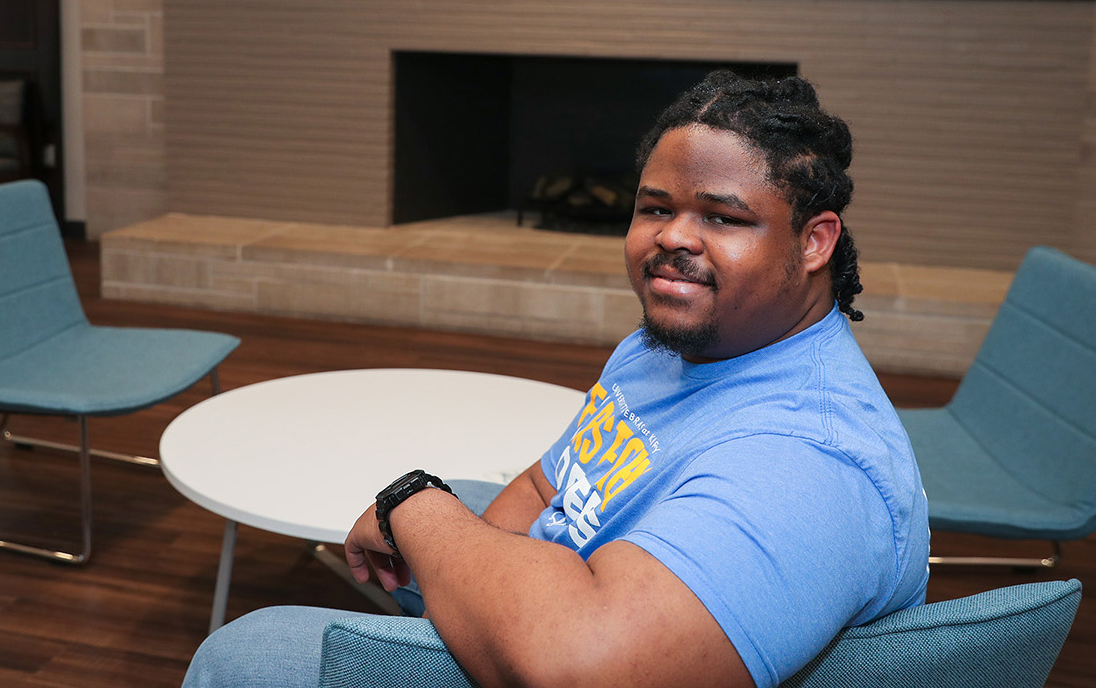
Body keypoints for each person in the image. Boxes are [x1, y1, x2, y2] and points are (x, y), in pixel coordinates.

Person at [183, 70, 929, 688]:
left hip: (587, 650)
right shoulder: (669, 345)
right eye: (655, 208)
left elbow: (584, 667)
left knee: (247, 657)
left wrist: (417, 506)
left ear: (814, 242)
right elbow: (550, 488)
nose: (672, 236)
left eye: (722, 217)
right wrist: (471, 585)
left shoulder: (809, 462)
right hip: (579, 598)